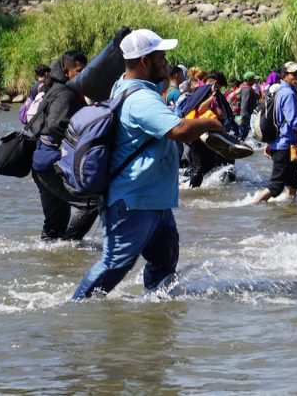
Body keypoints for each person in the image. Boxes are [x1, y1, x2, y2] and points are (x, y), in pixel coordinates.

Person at [72, 29, 223, 299]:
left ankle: (155, 314)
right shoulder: (140, 99)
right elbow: (179, 131)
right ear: (144, 61)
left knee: (163, 261)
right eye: (161, 58)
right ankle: (74, 310)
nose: (166, 62)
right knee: (114, 265)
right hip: (133, 201)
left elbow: (159, 95)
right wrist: (210, 122)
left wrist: (162, 77)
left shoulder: (127, 85)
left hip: (152, 200)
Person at [31, 51, 98, 242]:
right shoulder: (66, 94)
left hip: (41, 163)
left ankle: (54, 259)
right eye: (80, 71)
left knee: (54, 226)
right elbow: (55, 125)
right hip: (51, 163)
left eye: (86, 70)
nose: (84, 74)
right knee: (93, 202)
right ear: (66, 71)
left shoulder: (56, 89)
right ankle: (70, 244)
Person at [252, 61, 297, 203]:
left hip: (283, 144)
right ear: (284, 75)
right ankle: (252, 205)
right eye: (294, 74)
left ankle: (290, 210)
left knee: (292, 180)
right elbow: (293, 121)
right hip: (285, 145)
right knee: (276, 185)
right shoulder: (288, 93)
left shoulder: (279, 91)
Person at [238, 71, 259, 140]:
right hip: (246, 116)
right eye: (253, 79)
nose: (255, 80)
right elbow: (244, 103)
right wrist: (243, 117)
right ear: (248, 80)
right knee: (243, 133)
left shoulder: (245, 87)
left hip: (247, 115)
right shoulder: (246, 89)